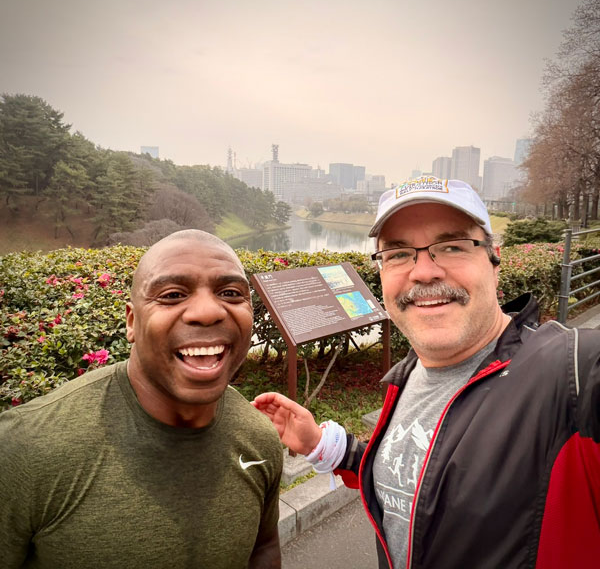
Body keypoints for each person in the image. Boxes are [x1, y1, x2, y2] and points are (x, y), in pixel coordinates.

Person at [253, 177, 600, 569]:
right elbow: (419, 474)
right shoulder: (410, 373)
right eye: (399, 253)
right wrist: (327, 447)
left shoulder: (572, 373)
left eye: (452, 246)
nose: (424, 272)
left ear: (494, 260)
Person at [0, 229, 283, 569]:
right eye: (173, 294)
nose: (208, 311)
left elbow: (264, 548)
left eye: (231, 293)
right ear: (132, 322)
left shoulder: (259, 437)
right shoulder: (27, 447)